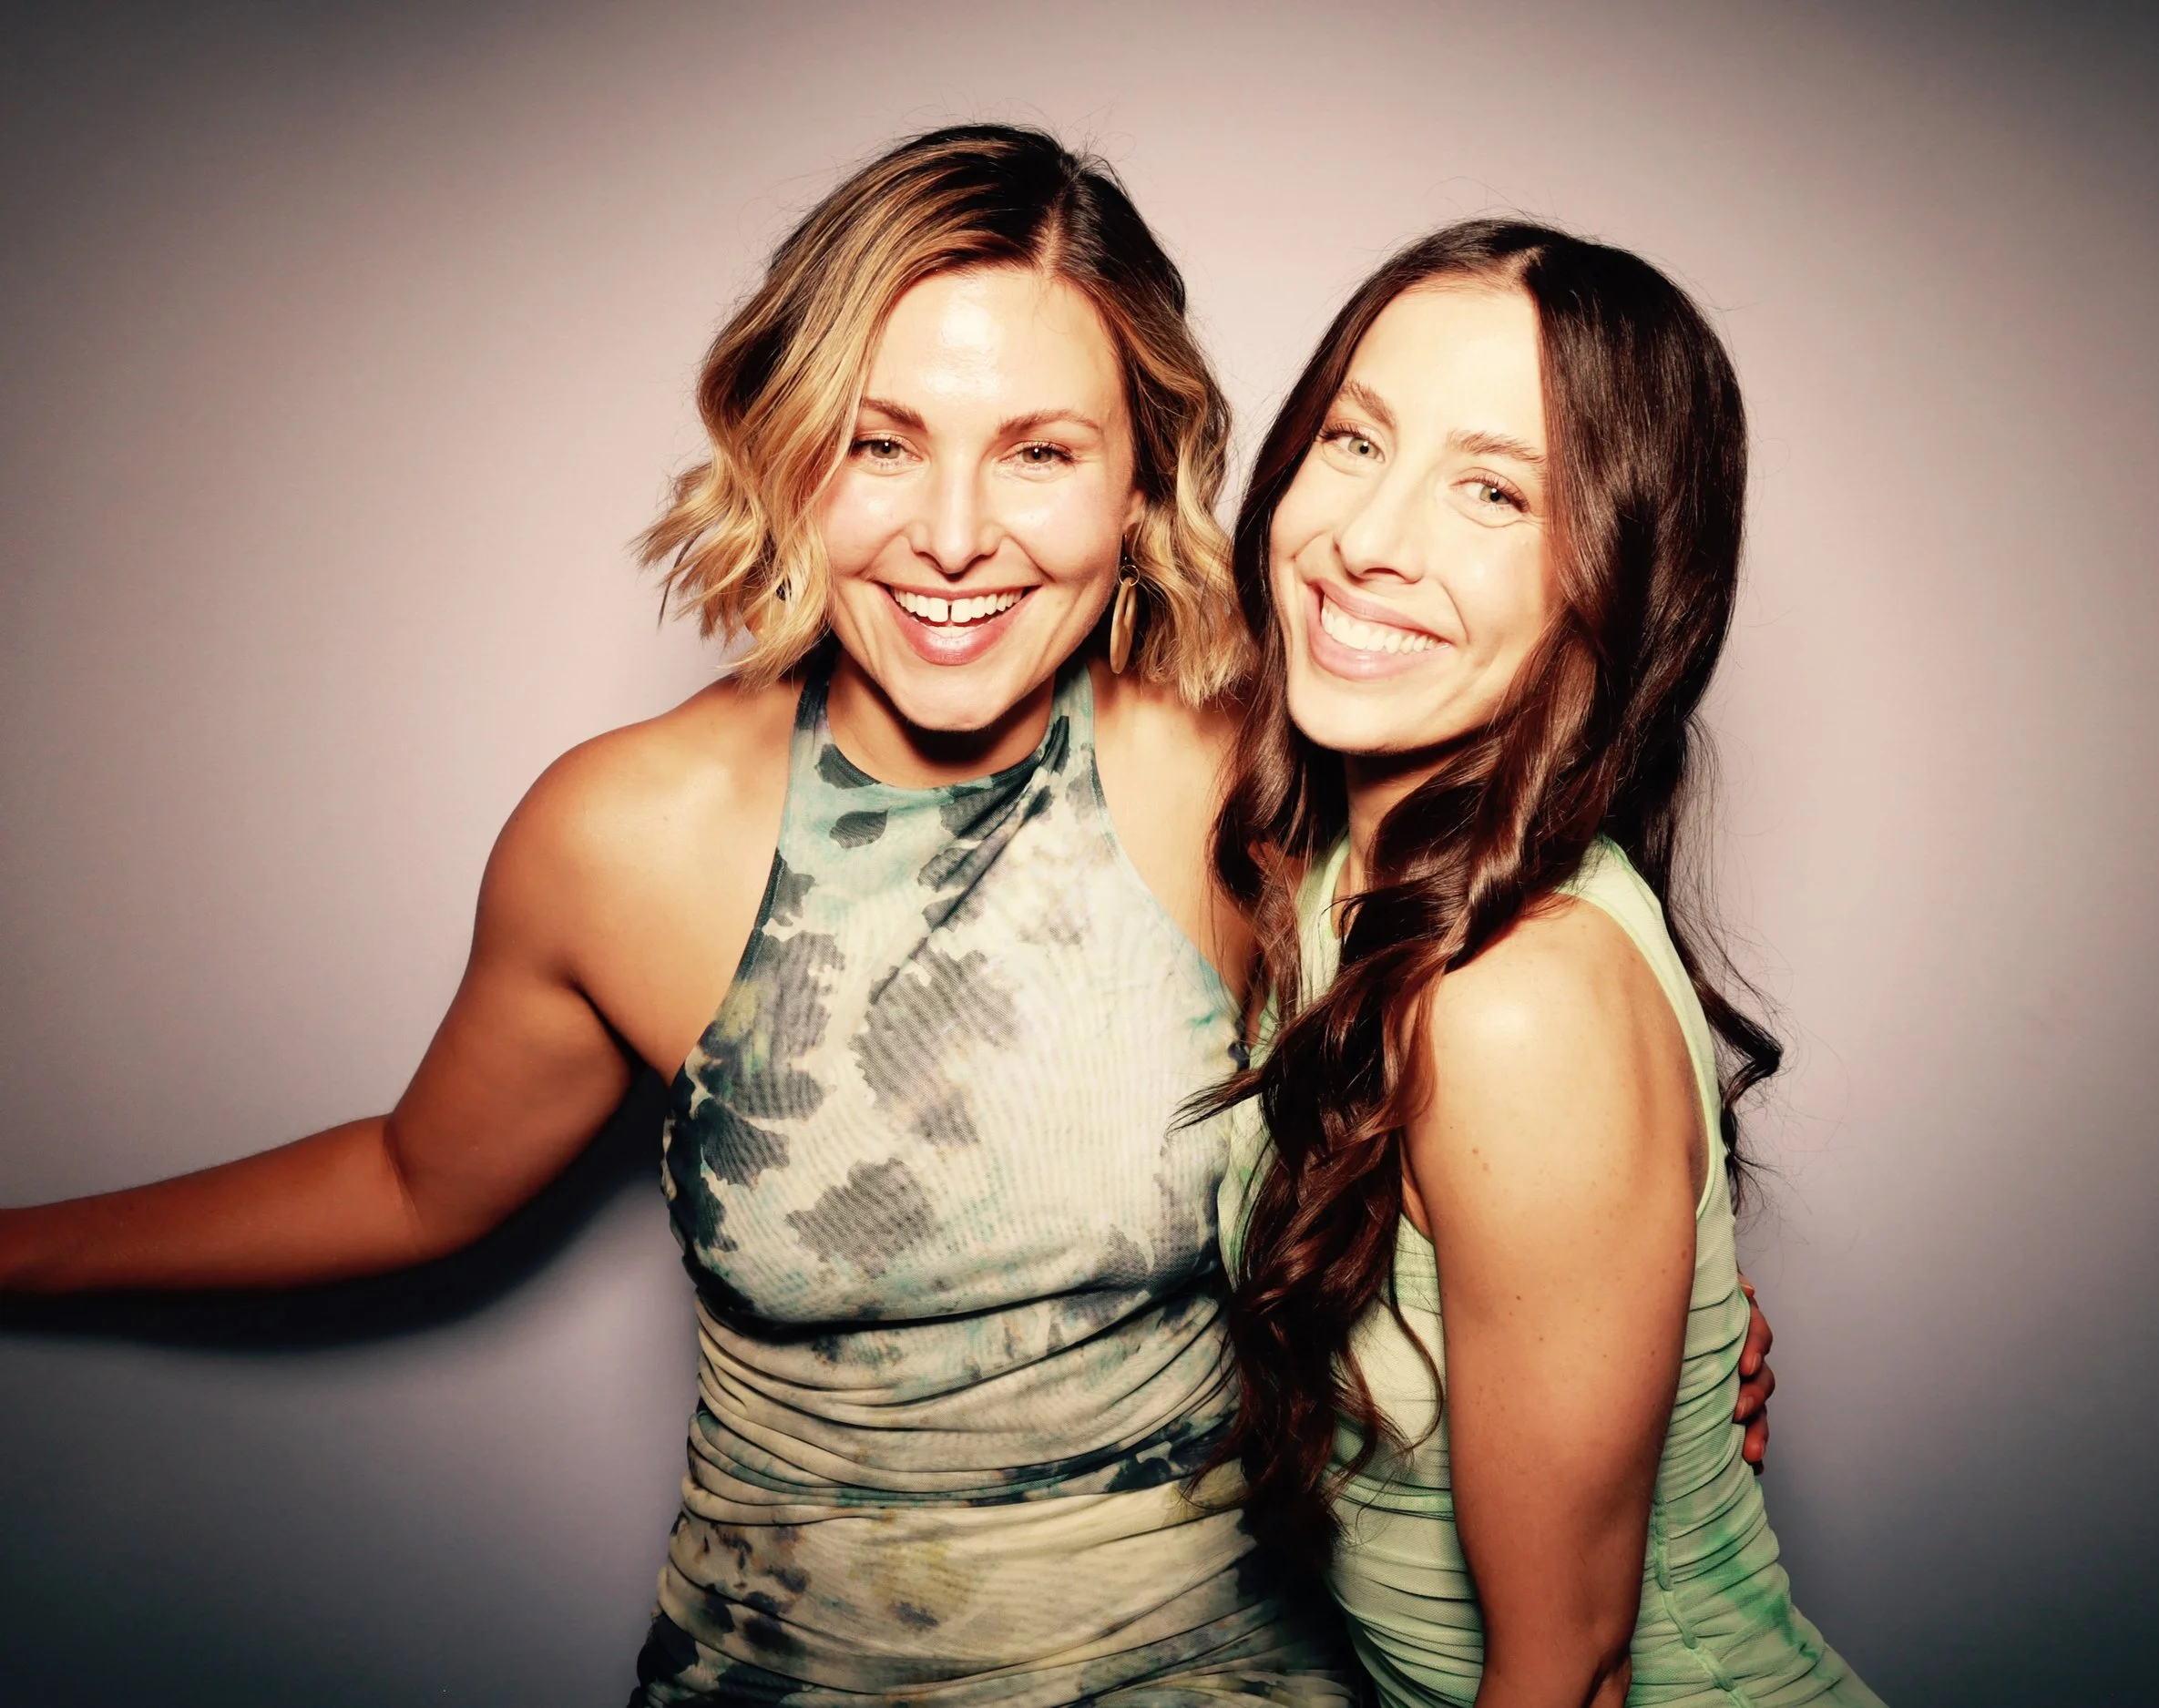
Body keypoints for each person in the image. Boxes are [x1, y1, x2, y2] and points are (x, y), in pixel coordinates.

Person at [0, 129, 1772, 1703]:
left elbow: (1536, 950)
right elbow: (410, 1177)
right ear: (782, 447)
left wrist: (1668, 1339)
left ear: (1142, 473)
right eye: (879, 440)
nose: (949, 534)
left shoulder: (1250, 740)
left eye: (1037, 452)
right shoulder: (622, 834)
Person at [1207, 220, 1880, 1707]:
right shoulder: (1334, 864)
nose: (1372, 539)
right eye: (1353, 440)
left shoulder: (1516, 1001)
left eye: (1494, 491)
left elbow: (1570, 1663)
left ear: (1618, 577)